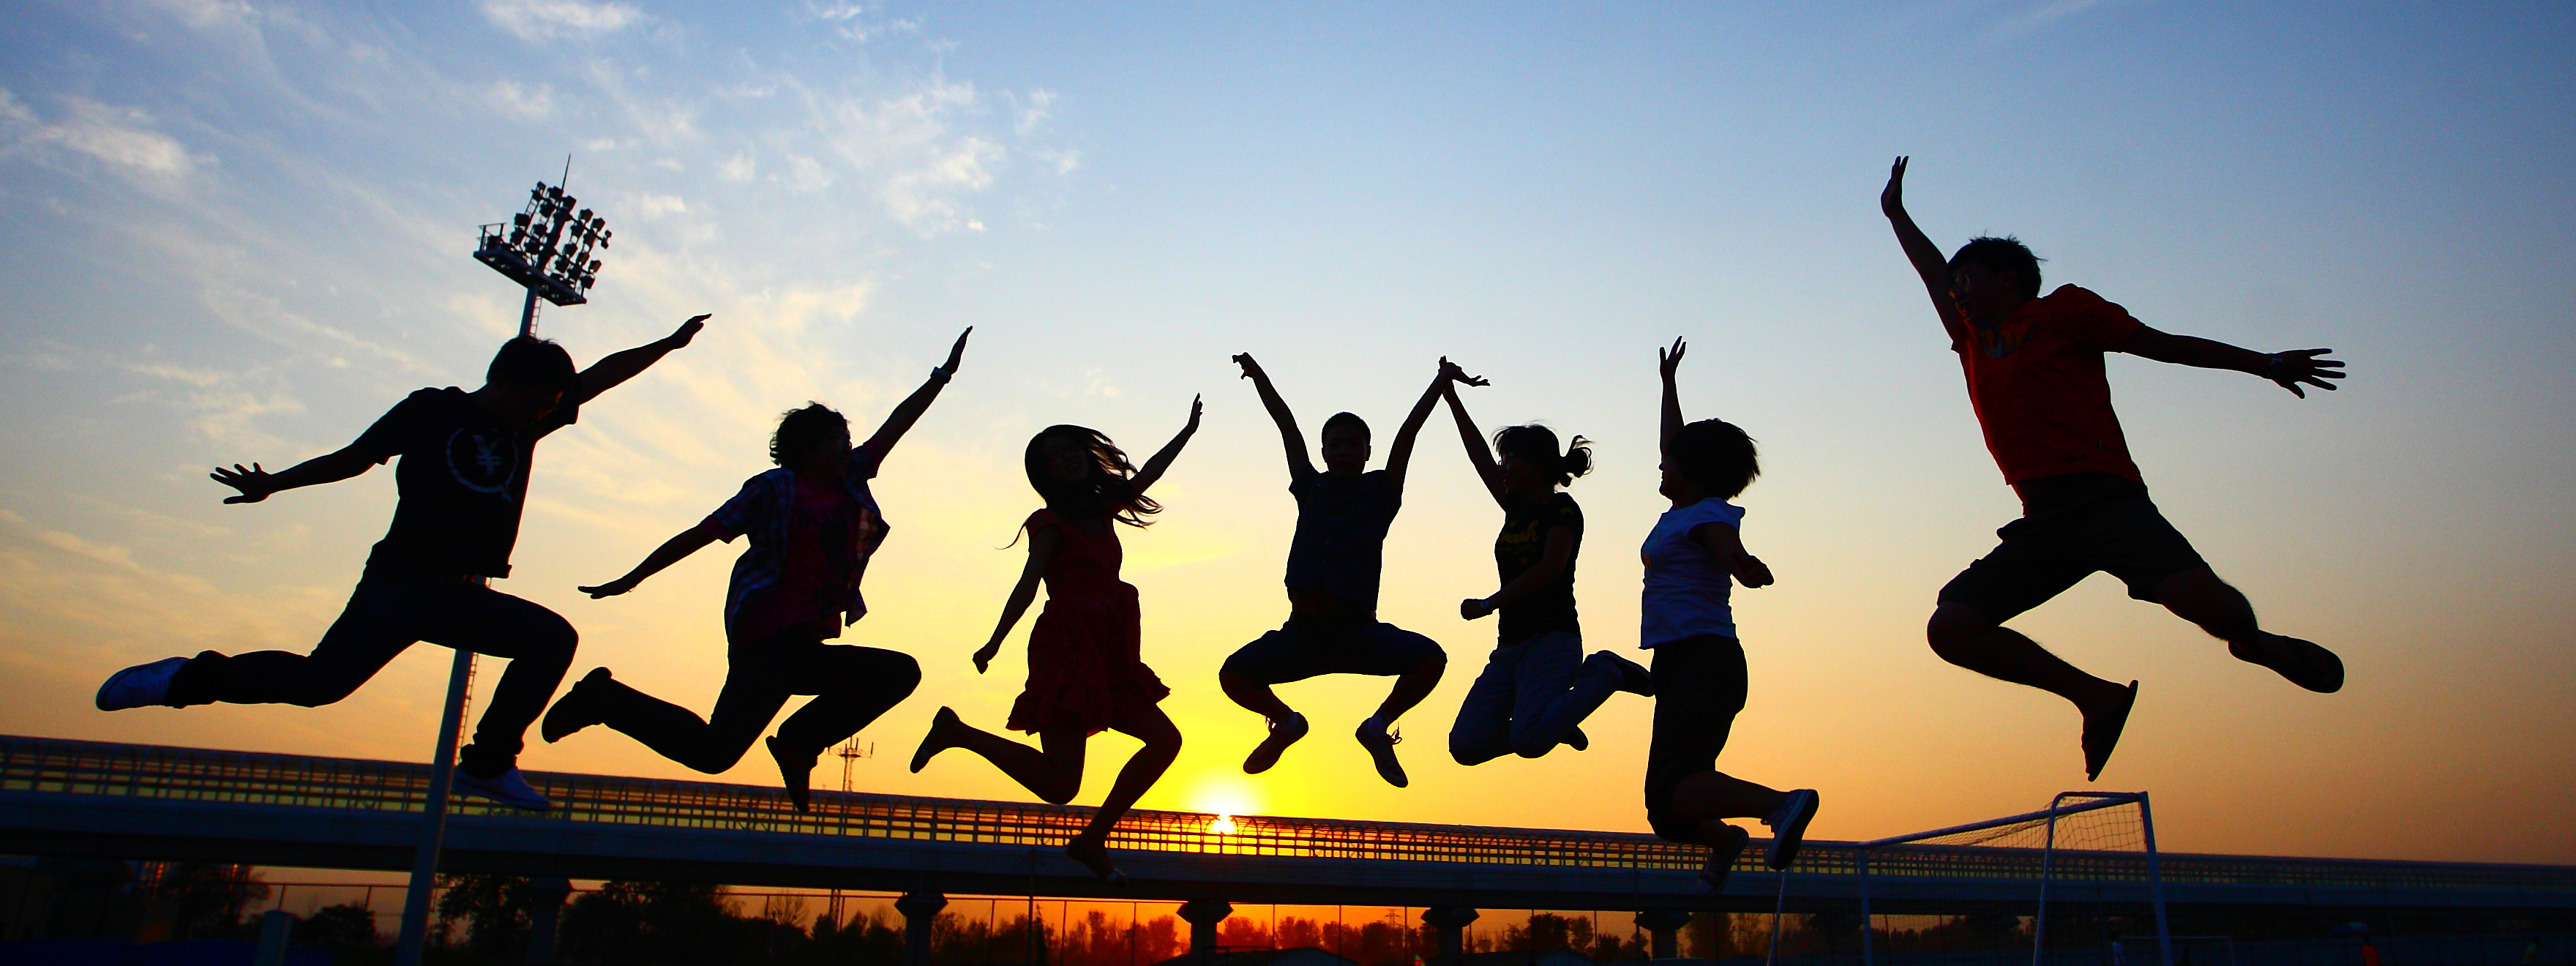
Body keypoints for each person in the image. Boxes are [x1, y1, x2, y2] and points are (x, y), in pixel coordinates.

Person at [95, 316, 713, 810]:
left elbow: (601, 377)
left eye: (547, 407)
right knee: (319, 686)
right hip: (401, 583)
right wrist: (275, 484)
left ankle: (489, 762)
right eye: (532, 405)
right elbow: (355, 458)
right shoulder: (432, 411)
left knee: (552, 639)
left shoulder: (526, 425)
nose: (538, 417)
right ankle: (184, 679)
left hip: (460, 595)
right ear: (500, 382)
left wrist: (668, 344)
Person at [1881, 156, 2349, 779]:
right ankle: (2094, 697)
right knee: (1952, 628)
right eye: (1955, 284)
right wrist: (1897, 216)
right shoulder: (1971, 338)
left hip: (2107, 502)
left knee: (2205, 604)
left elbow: (2164, 346)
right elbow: (1931, 270)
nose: (1957, 291)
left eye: (1968, 279)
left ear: (2008, 278)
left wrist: (2263, 363)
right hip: (2044, 520)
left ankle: (2255, 643)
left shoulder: (2065, 312)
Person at [542, 329, 971, 812]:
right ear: (806, 448)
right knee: (721, 749)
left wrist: (941, 376)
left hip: (802, 646)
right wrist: (634, 577)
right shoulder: (773, 489)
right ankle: (607, 701)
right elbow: (702, 533)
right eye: (838, 441)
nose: (848, 449)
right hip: (766, 643)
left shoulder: (849, 481)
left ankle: (786, 739)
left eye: (849, 441)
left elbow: (896, 426)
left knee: (724, 747)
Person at [909, 398, 1204, 882]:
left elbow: (1147, 474)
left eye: (1071, 449)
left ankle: (1092, 838)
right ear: (1043, 473)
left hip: (1110, 650)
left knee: (1164, 741)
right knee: (1061, 786)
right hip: (1068, 651)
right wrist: (994, 641)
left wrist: (1187, 432)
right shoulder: (1049, 524)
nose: (1067, 458)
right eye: (1054, 456)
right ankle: (957, 734)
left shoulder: (1103, 508)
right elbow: (1028, 585)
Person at [1218, 353, 1472, 787]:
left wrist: (1440, 382)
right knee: (1233, 674)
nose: (1344, 452)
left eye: (1354, 446)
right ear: (1324, 452)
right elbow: (1287, 426)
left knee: (1431, 658)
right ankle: (1286, 723)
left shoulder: (1381, 491)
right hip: (1302, 634)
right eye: (1336, 445)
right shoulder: (1310, 486)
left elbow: (1407, 435)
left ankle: (1377, 728)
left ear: (1367, 453)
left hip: (1357, 633)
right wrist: (1259, 377)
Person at [1639, 337, 1819, 894]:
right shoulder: (1683, 507)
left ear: (1692, 472)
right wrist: (1668, 385)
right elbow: (1674, 440)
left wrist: (1744, 566)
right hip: (1678, 661)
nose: (1661, 463)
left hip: (1705, 659)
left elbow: (1727, 549)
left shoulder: (1708, 514)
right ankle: (1727, 842)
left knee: (1678, 787)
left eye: (1670, 462)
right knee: (1666, 811)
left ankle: (1781, 805)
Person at [1439, 371, 1648, 765]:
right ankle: (1555, 722)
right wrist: (1451, 398)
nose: (1502, 468)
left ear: (1536, 465)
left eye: (1510, 460)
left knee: (1530, 742)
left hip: (1552, 640)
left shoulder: (1562, 509)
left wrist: (1489, 603)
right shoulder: (1514, 508)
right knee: (1466, 746)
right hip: (1509, 647)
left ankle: (1606, 673)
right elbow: (1478, 456)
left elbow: (1551, 569)